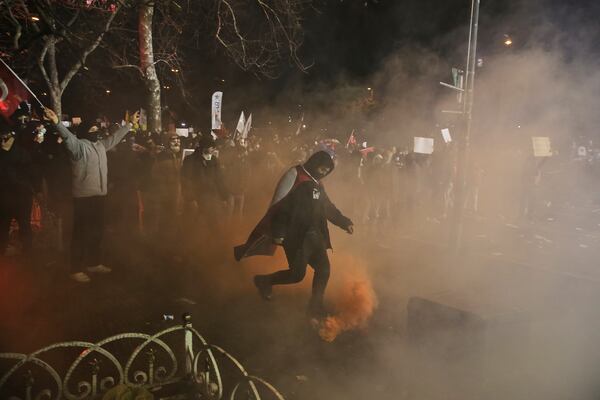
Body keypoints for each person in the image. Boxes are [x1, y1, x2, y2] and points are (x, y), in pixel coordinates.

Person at [235, 151, 354, 318]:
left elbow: (327, 207)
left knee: (324, 269)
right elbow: (280, 205)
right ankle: (264, 281)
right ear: (314, 163)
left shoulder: (317, 183)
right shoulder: (295, 176)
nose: (324, 172)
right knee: (297, 274)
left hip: (316, 235)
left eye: (327, 170)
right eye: (322, 168)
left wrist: (344, 222)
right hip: (295, 236)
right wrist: (279, 232)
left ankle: (315, 307)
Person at [43, 108, 139, 283]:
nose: (96, 132)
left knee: (97, 231)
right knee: (80, 233)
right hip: (83, 198)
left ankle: (93, 263)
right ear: (85, 133)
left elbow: (115, 137)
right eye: (92, 130)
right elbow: (67, 137)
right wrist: (56, 122)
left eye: (97, 130)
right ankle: (75, 268)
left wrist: (130, 124)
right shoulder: (78, 147)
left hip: (100, 196)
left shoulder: (101, 146)